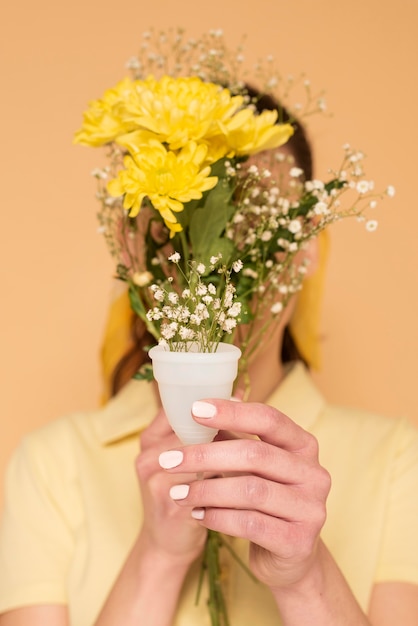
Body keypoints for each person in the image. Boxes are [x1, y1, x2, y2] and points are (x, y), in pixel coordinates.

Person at [0, 78, 417, 626]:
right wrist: (158, 554)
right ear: (131, 247)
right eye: (181, 229)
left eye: (253, 230)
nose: (217, 270)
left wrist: (307, 575)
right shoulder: (53, 463)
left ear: (308, 249)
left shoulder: (398, 461)